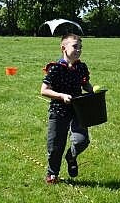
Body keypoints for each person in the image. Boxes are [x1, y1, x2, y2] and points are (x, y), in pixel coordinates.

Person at [40, 33, 94, 184]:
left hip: (77, 110)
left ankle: (71, 156)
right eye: (75, 47)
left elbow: (85, 84)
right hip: (58, 110)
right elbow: (44, 90)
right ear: (63, 48)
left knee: (81, 141)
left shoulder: (81, 67)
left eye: (80, 47)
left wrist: (91, 90)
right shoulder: (56, 68)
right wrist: (61, 96)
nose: (79, 50)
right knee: (55, 145)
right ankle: (52, 173)